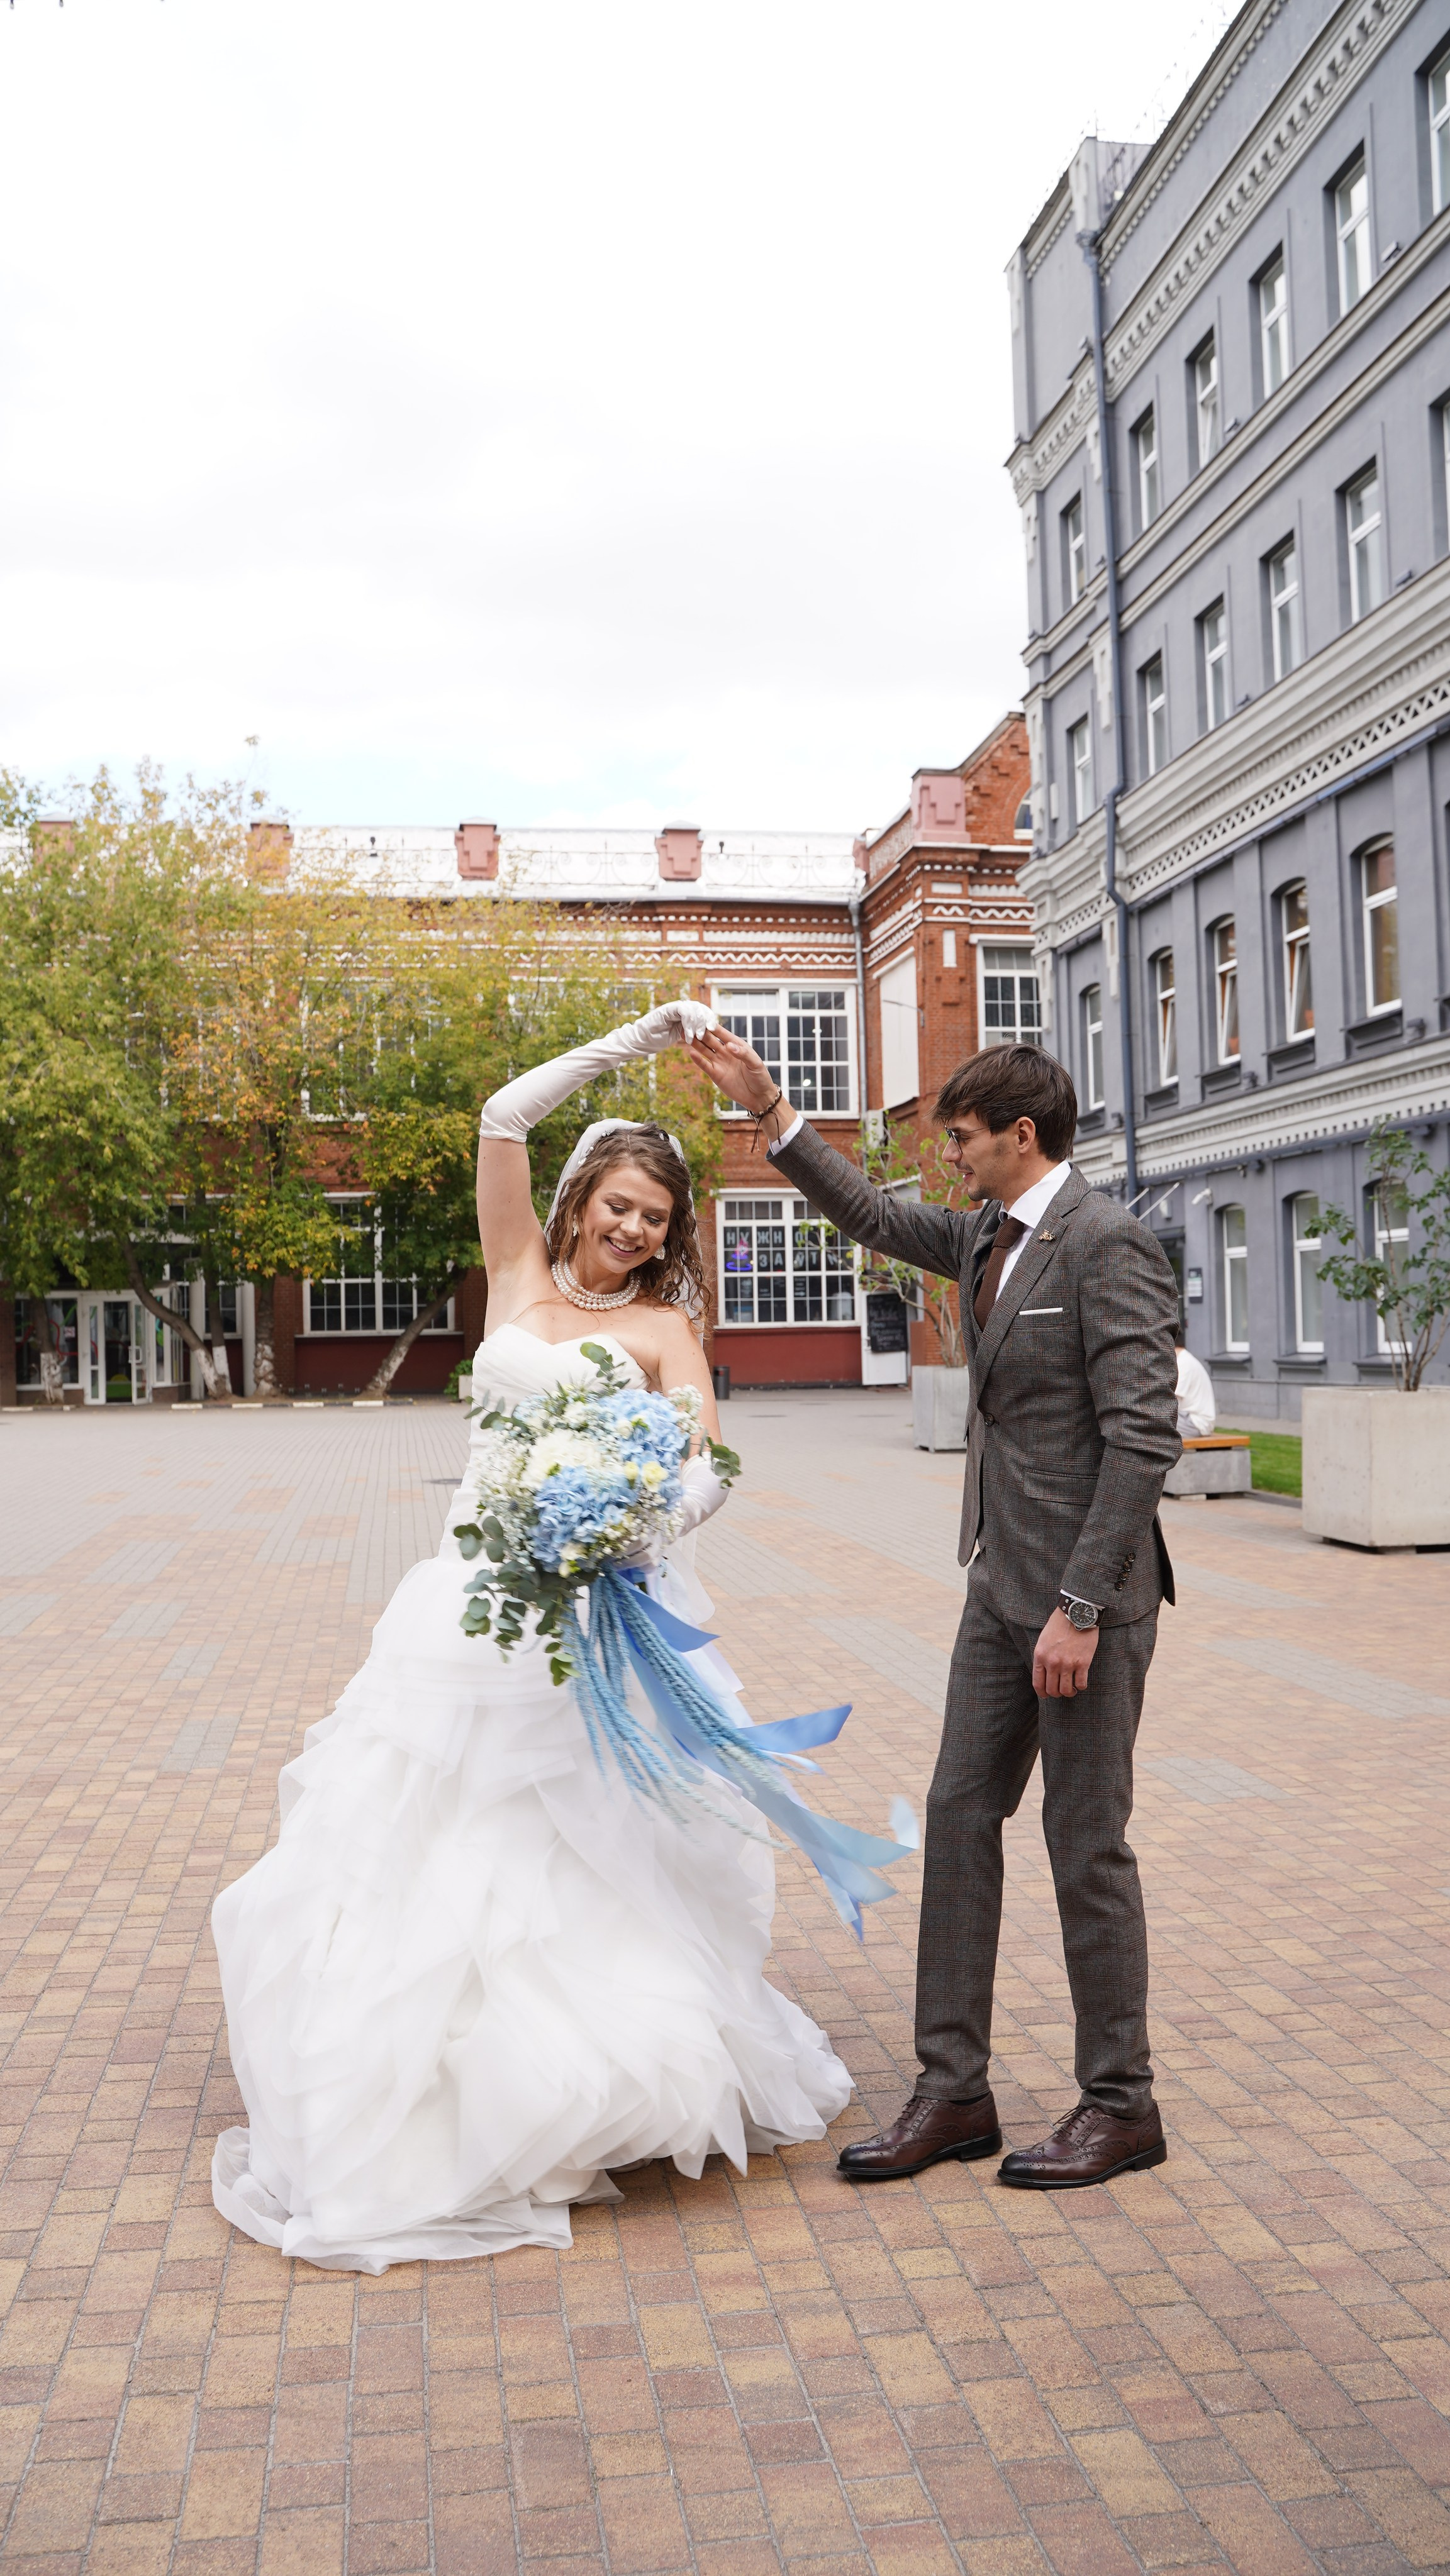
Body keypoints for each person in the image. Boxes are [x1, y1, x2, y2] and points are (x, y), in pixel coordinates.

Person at [209, 1001, 852, 2272]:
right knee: (433, 1843)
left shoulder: (665, 1331)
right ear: (577, 1202)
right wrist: (632, 1043)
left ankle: (580, 2093)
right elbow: (502, 1115)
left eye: (656, 1218)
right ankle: (422, 2097)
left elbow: (711, 1462)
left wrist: (637, 1520)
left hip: (590, 1616)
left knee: (577, 1855)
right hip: (466, 1605)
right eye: (619, 1204)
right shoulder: (514, 1274)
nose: (634, 1229)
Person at [689, 1026, 1181, 2190]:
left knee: (1085, 1845)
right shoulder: (983, 1236)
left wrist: (1080, 1606)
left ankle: (1122, 2105)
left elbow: (1142, 1437)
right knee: (960, 1820)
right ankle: (954, 2092)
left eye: (960, 1137)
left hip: (1084, 1608)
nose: (947, 1155)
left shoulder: (1105, 1242)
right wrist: (771, 1111)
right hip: (997, 1587)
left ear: (1022, 1134)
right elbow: (868, 1215)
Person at [1174, 1321, 1216, 1438]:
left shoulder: (1183, 1364)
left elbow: (1172, 1402)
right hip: (1189, 1419)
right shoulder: (1184, 1360)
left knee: (1150, 1424)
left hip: (1196, 1422)